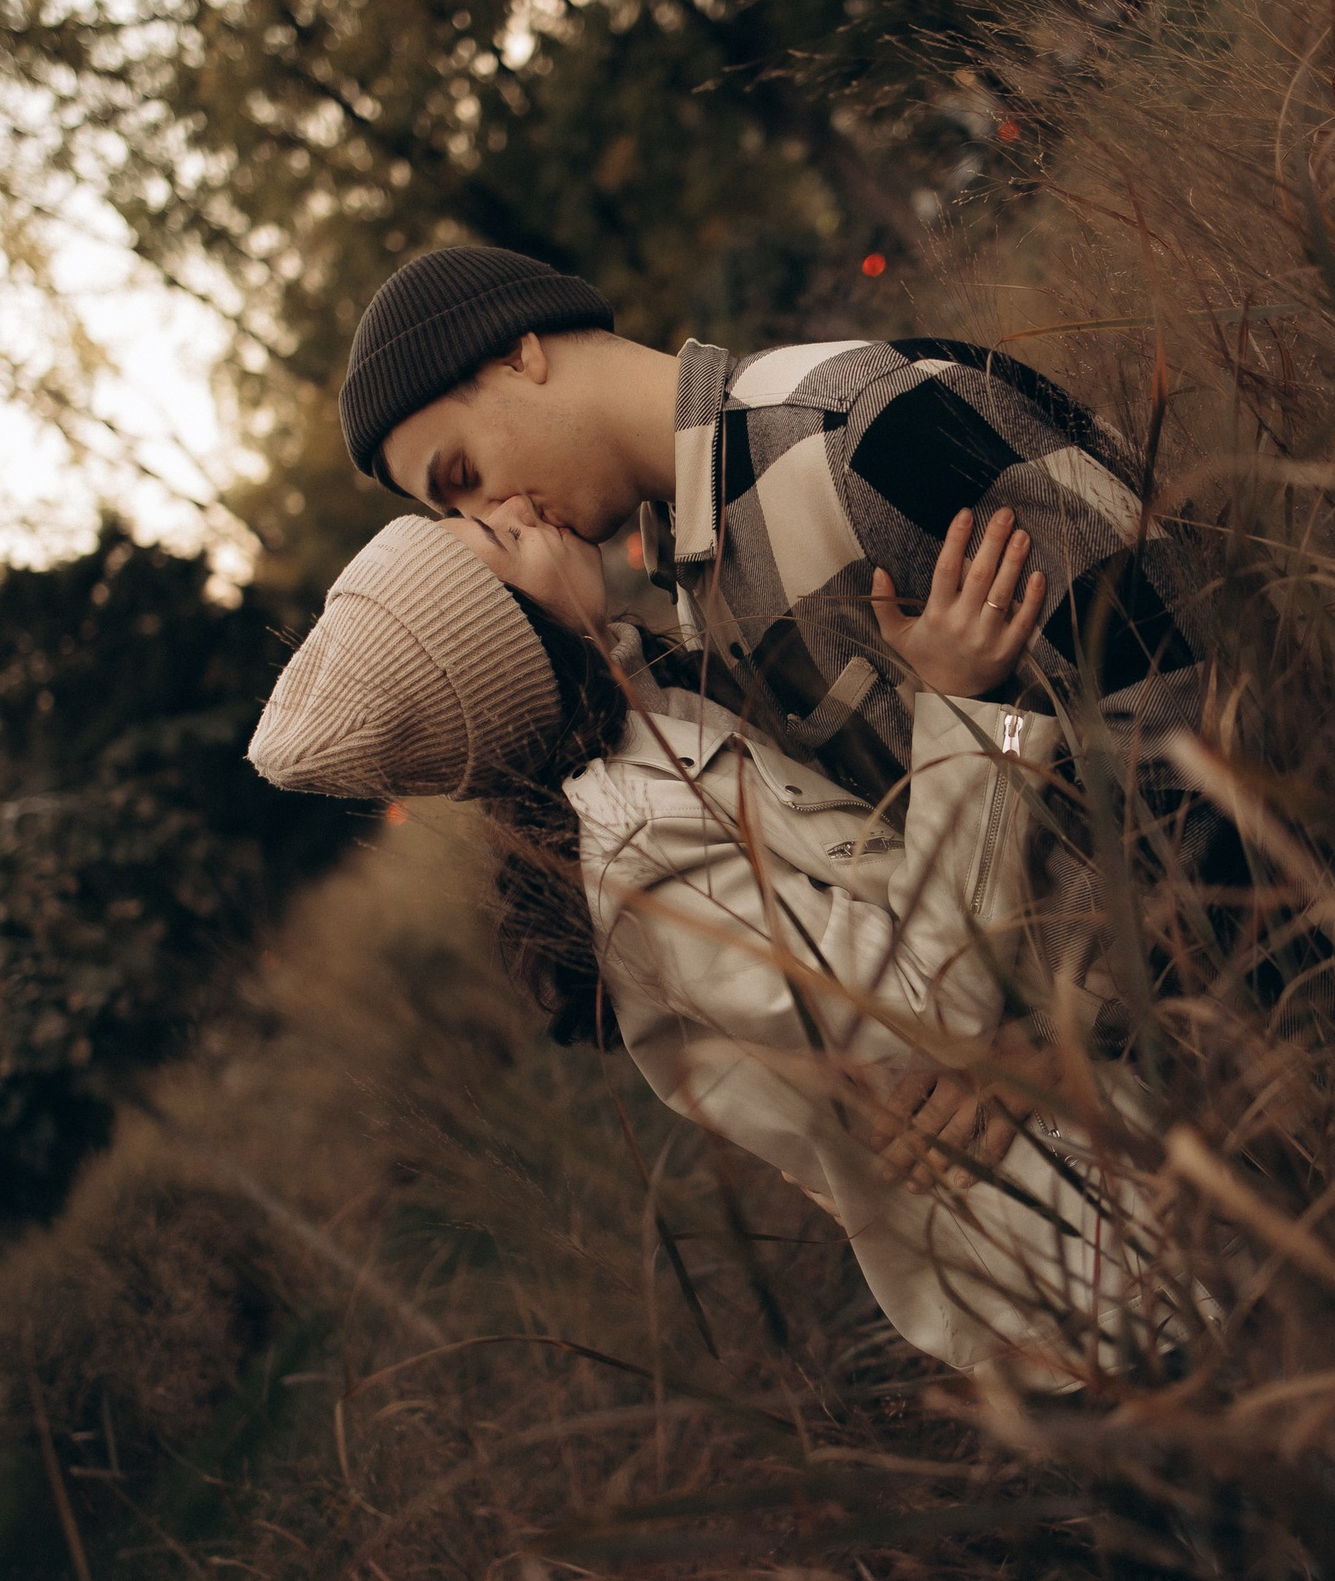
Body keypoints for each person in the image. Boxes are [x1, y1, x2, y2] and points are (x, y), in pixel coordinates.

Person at [245, 501, 1178, 1384]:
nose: (525, 508)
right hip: (1095, 1251)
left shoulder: (652, 720)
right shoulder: (640, 839)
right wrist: (973, 709)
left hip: (1095, 1184)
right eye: (499, 535)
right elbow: (922, 1004)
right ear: (508, 645)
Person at [330, 247, 1216, 1006]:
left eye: (464, 472)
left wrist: (1048, 1033)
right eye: (460, 509)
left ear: (521, 354)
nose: (500, 511)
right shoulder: (692, 569)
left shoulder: (860, 429)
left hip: (1246, 992)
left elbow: (1182, 706)